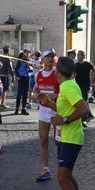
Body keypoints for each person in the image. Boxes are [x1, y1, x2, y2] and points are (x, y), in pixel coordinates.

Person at [41, 57, 90, 190]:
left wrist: (65, 120)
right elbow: (65, 110)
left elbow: (83, 109)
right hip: (67, 137)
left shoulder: (68, 87)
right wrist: (49, 103)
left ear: (57, 72)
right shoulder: (68, 85)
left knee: (62, 178)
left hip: (71, 137)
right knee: (67, 176)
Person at [34, 50, 60, 182]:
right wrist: (34, 96)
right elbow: (36, 89)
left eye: (52, 57)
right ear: (42, 60)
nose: (50, 59)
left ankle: (63, 167)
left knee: (58, 141)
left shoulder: (58, 74)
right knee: (43, 139)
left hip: (56, 110)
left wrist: (57, 95)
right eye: (47, 57)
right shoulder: (37, 75)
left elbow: (64, 92)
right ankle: (46, 169)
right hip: (44, 110)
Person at [74, 50, 95, 126]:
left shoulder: (88, 64)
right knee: (81, 101)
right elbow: (73, 74)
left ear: (83, 56)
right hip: (78, 85)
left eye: (79, 55)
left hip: (86, 85)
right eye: (77, 55)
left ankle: (84, 119)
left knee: (83, 100)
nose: (78, 56)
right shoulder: (76, 65)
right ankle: (90, 115)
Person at [14, 51, 31, 115]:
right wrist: (18, 76)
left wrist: (30, 68)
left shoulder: (29, 61)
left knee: (25, 94)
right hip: (21, 77)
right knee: (19, 94)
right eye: (27, 53)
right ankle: (17, 108)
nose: (28, 55)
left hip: (27, 77)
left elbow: (30, 68)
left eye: (28, 54)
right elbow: (16, 69)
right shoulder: (20, 60)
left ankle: (24, 108)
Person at [0, 46, 14, 110]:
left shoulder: (0, 57)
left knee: (0, 88)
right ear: (8, 51)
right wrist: (13, 75)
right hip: (5, 75)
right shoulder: (8, 58)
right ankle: (2, 103)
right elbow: (10, 68)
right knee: (4, 90)